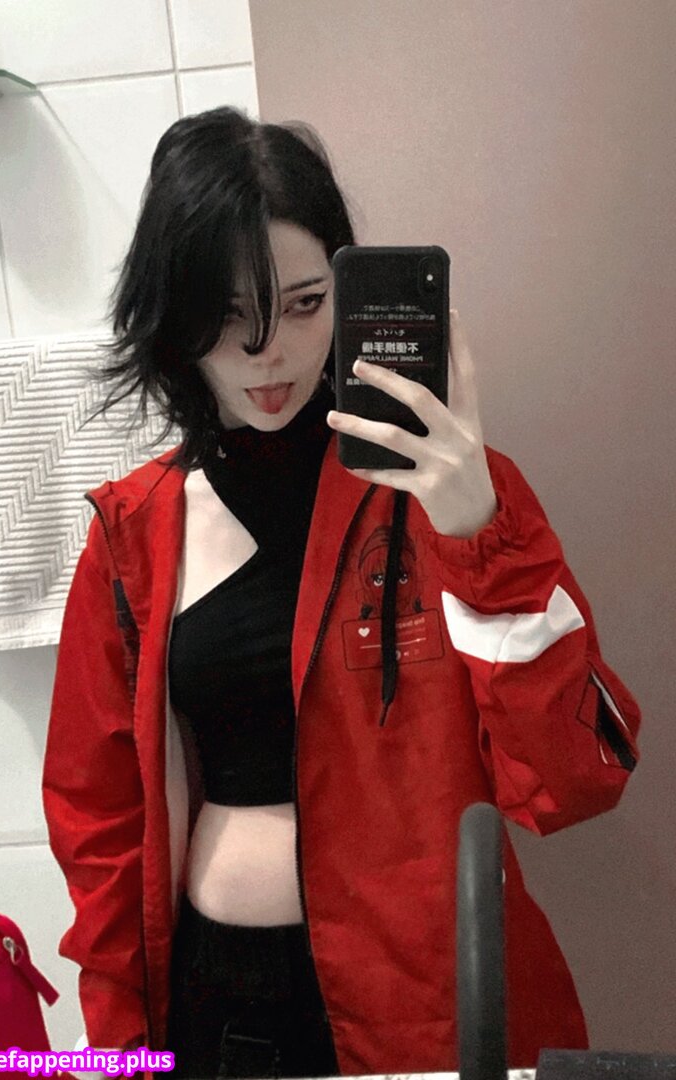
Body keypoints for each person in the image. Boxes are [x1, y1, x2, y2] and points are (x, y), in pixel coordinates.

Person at [42, 105, 641, 1079]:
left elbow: (573, 783)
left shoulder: (453, 497)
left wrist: (480, 535)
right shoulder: (134, 534)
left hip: (425, 1005)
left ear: (350, 291)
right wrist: (116, 1048)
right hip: (216, 1009)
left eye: (305, 304)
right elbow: (98, 825)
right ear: (172, 317)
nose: (267, 351)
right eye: (225, 316)